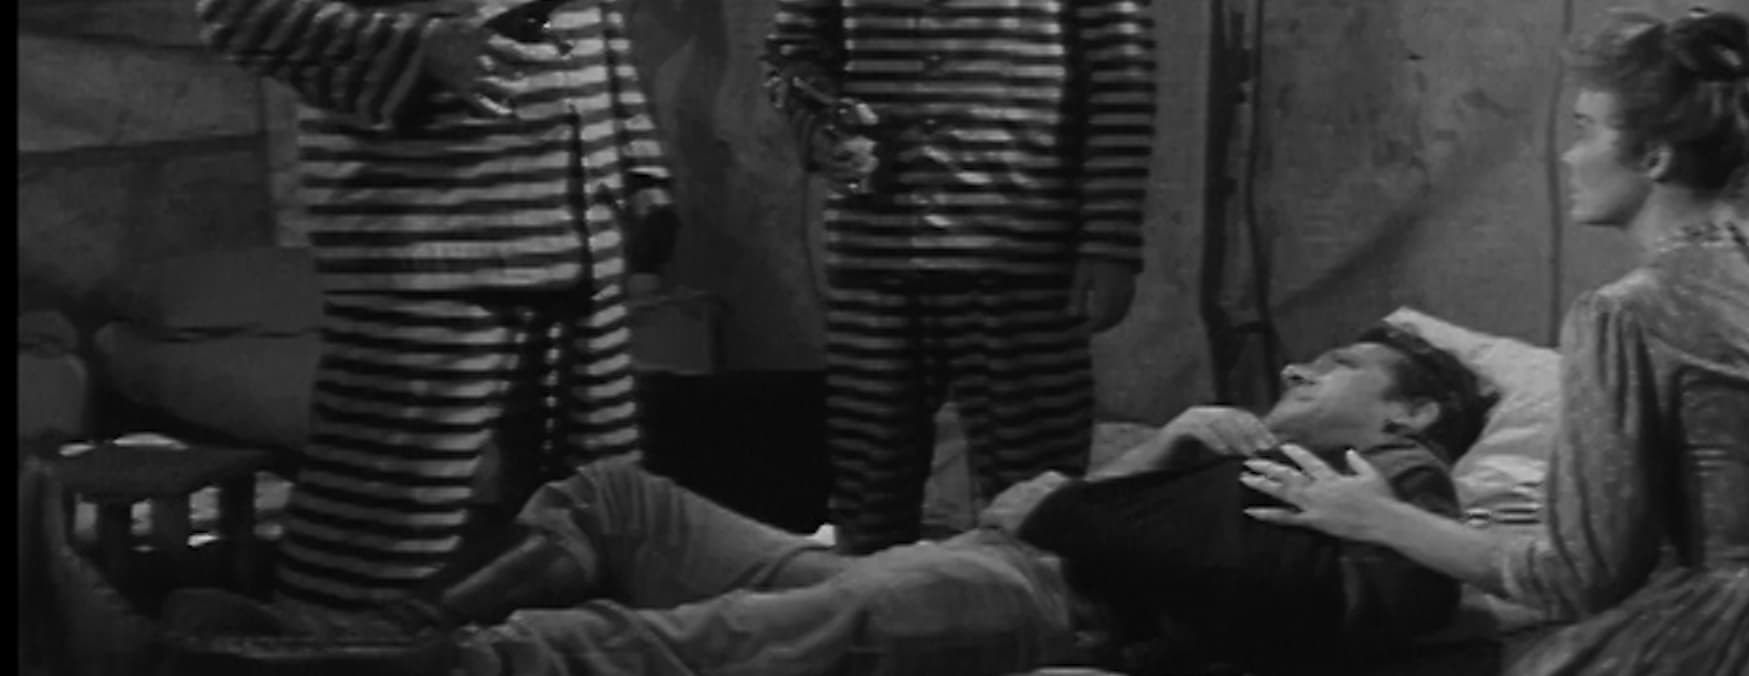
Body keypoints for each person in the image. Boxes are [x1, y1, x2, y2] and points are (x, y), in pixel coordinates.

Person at [158, 326, 1489, 676]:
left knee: (715, 638)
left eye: (1341, 367)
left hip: (1046, 605)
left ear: (1414, 411)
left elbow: (1331, 608)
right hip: (977, 554)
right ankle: (390, 626)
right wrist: (1162, 454)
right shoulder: (1220, 443)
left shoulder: (1403, 488)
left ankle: (406, 665)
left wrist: (1093, 512)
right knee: (616, 496)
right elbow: (1041, 502)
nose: (1303, 369)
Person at [1240, 8, 1749, 676]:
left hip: (1724, 644)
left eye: (1585, 130)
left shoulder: (1627, 314)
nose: (1569, 155)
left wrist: (1379, 518)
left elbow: (1578, 577)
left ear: (1654, 156)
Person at [192, 0, 675, 614]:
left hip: (583, 236)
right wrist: (423, 47)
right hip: (434, 244)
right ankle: (321, 652)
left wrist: (639, 166)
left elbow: (598, 20)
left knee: (590, 527)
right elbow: (238, 13)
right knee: (379, 538)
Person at [759, 0, 1159, 553]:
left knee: (1037, 506)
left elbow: (1122, 75)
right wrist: (824, 129)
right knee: (868, 496)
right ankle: (873, 607)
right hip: (875, 252)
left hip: (1020, 250)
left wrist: (1108, 239)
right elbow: (791, 52)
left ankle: (1031, 607)